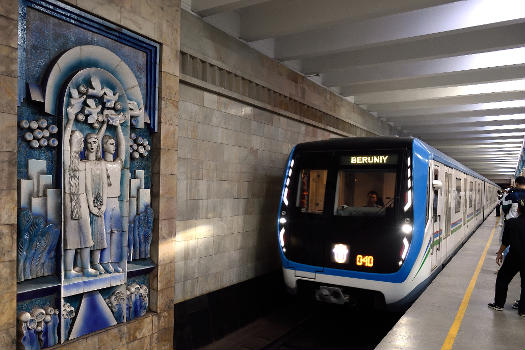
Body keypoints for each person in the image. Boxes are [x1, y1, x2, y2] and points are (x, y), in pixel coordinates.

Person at [63, 103, 98, 279]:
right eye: (77, 139)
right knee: (71, 237)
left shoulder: (83, 164)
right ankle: (68, 271)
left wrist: (91, 206)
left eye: (81, 140)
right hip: (71, 201)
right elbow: (65, 143)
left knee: (86, 235)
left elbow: (88, 188)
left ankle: (85, 268)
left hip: (82, 201)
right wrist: (70, 120)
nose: (80, 141)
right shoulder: (68, 161)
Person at [488, 199, 524, 317]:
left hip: (514, 257)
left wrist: (499, 253)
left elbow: (505, 241)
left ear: (518, 210)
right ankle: (523, 310)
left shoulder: (511, 223)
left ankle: (499, 304)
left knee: (503, 278)